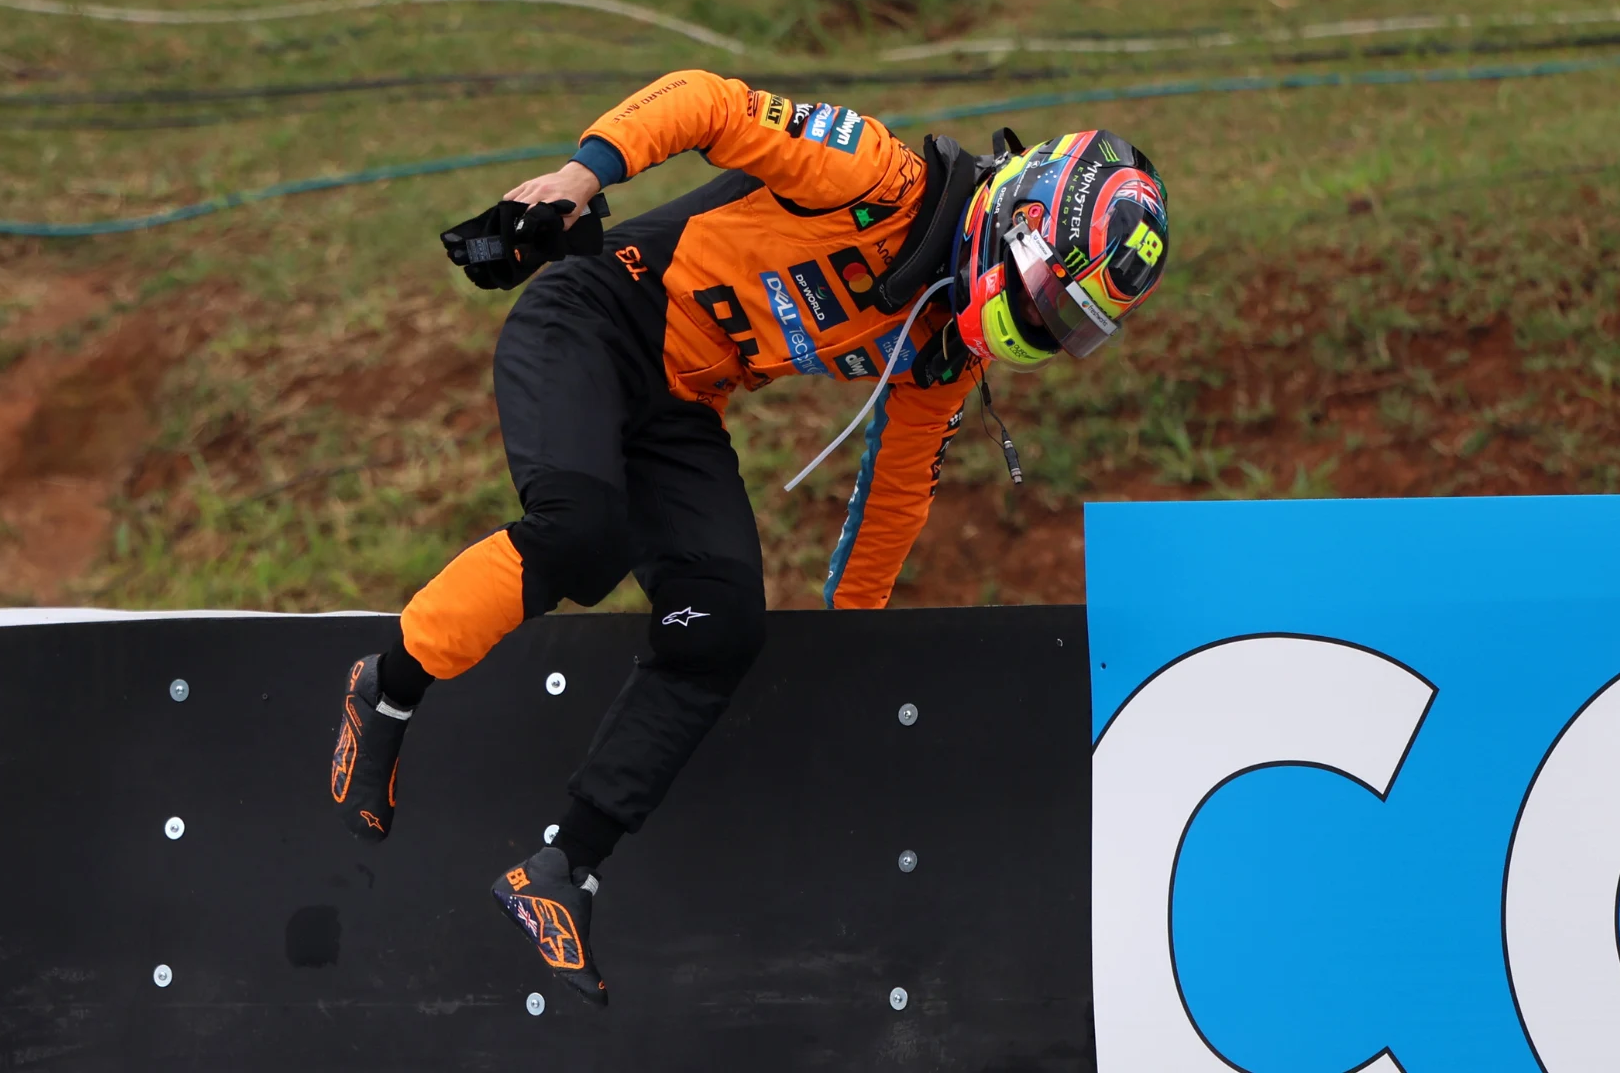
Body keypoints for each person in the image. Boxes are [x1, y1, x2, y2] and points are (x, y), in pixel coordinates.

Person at [327, 70, 1170, 1006]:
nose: (1037, 329)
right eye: (1046, 297)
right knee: (584, 538)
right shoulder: (877, 178)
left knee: (720, 627)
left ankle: (564, 869)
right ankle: (387, 690)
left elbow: (892, 494)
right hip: (594, 319)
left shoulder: (945, 342)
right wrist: (583, 176)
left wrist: (856, 631)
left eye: (1066, 328)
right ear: (1018, 214)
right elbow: (707, 102)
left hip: (681, 403)